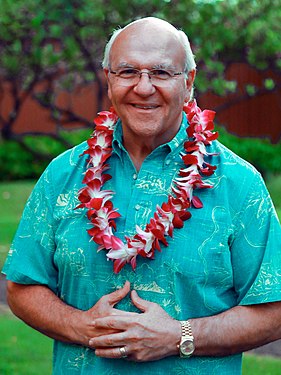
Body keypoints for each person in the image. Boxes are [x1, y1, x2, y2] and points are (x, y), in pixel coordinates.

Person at [2, 17, 281, 375]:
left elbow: (273, 311)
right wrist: (80, 327)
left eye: (161, 73)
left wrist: (179, 335)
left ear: (189, 82)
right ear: (108, 79)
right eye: (128, 71)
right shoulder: (63, 174)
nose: (143, 87)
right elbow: (23, 286)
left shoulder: (239, 184)